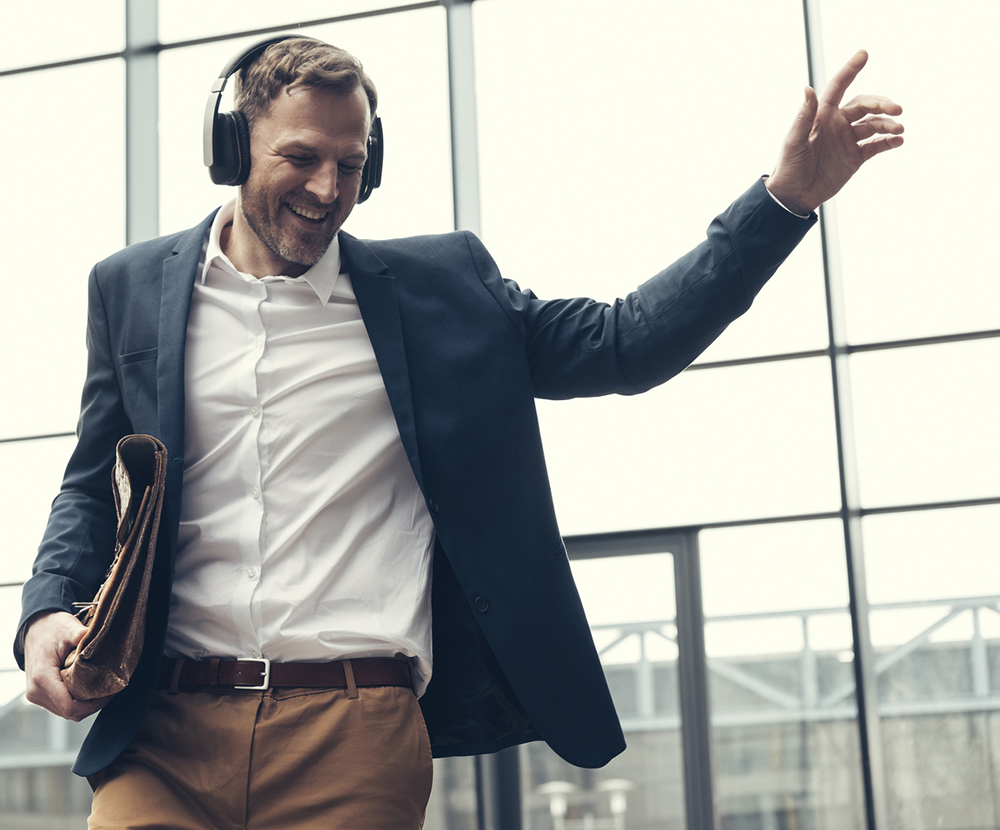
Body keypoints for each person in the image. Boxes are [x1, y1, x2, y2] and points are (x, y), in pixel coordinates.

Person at [15, 35, 903, 829]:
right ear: (232, 146)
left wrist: (784, 201)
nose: (329, 190)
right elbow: (96, 480)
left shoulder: (442, 292)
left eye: (352, 165)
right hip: (163, 728)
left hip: (351, 731)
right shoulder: (129, 287)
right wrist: (49, 606)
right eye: (302, 157)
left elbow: (630, 342)